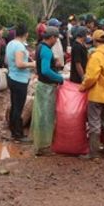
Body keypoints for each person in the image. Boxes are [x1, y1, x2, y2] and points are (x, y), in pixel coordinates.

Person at [79, 30, 104, 159]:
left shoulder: (96, 56)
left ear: (95, 41)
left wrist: (83, 87)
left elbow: (91, 77)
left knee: (94, 123)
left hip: (97, 94)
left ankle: (94, 153)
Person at [31, 26, 64, 155]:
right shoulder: (46, 51)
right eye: (56, 38)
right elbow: (45, 70)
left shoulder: (40, 46)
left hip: (41, 84)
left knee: (41, 115)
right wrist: (59, 78)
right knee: (46, 116)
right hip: (47, 87)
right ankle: (44, 147)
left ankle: (40, 144)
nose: (56, 41)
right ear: (51, 37)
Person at [5, 24, 35, 142]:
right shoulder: (20, 47)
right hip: (19, 80)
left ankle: (13, 131)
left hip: (12, 76)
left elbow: (9, 61)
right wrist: (32, 64)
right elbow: (19, 64)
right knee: (18, 107)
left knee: (14, 105)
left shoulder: (11, 44)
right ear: (26, 34)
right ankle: (18, 134)